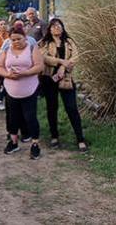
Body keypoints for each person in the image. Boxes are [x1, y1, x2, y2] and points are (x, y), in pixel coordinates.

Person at [39, 18, 88, 152]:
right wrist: (61, 62)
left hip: (66, 78)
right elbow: (44, 58)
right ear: (49, 29)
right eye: (54, 26)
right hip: (49, 79)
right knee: (52, 108)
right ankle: (54, 136)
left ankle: (80, 139)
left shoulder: (69, 41)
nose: (57, 28)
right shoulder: (44, 42)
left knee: (72, 108)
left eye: (59, 26)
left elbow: (76, 56)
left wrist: (63, 68)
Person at [0, 25, 44, 159]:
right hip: (11, 89)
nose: (16, 42)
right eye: (13, 40)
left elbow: (39, 66)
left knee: (30, 117)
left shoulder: (31, 47)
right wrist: (7, 74)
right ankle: (13, 141)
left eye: (19, 39)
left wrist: (25, 73)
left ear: (25, 37)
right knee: (12, 117)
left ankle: (35, 144)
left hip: (29, 89)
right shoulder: (7, 49)